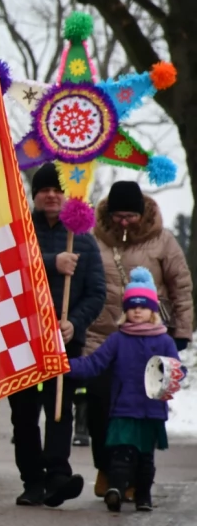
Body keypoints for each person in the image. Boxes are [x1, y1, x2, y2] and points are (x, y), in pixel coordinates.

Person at [85, 180, 192, 499]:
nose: (124, 222)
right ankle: (107, 469)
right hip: (99, 337)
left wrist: (181, 332)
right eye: (118, 216)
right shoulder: (92, 238)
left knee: (140, 409)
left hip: (148, 342)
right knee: (100, 407)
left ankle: (132, 476)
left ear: (142, 214)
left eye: (130, 216)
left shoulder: (163, 241)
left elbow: (181, 287)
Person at [11, 165, 103, 508]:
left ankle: (58, 476)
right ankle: (32, 480)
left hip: (65, 341)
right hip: (23, 338)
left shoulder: (84, 240)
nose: (51, 195)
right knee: (23, 413)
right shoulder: (19, 231)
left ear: (67, 196)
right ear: (35, 195)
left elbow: (96, 292)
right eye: (44, 190)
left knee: (60, 408)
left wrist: (74, 324)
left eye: (57, 190)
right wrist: (53, 262)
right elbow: (11, 266)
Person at [68, 268, 181, 512]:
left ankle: (143, 496)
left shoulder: (164, 341)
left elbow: (177, 371)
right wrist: (65, 365)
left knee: (145, 458)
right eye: (132, 306)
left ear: (153, 310)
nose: (137, 310)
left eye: (143, 306)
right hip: (123, 409)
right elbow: (94, 363)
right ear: (125, 310)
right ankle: (116, 490)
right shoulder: (117, 340)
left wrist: (171, 377)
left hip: (151, 411)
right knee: (120, 454)